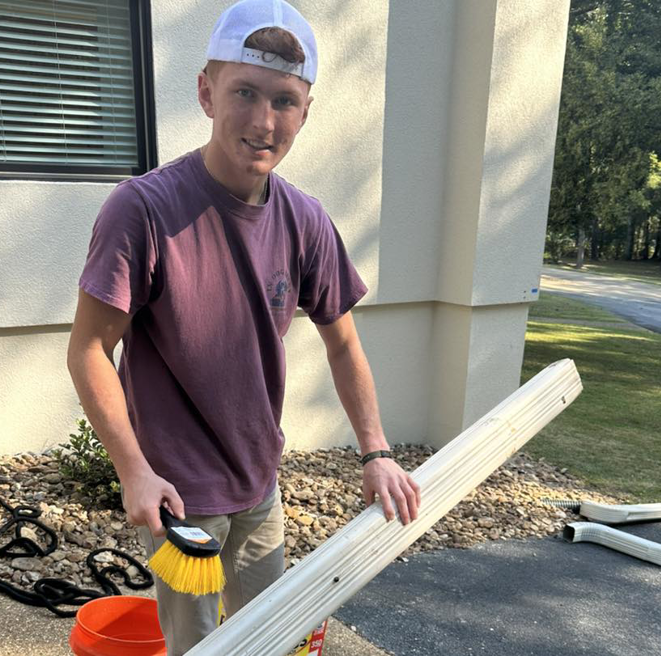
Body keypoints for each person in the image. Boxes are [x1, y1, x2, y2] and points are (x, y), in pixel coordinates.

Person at [66, 0, 420, 652]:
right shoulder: (142, 211)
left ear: (306, 112)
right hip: (179, 500)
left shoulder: (305, 220)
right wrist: (134, 471)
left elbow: (343, 344)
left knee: (272, 638)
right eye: (245, 93)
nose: (264, 121)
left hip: (259, 486)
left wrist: (377, 452)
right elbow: (89, 349)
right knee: (201, 650)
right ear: (207, 92)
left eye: (285, 100)